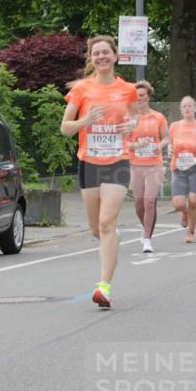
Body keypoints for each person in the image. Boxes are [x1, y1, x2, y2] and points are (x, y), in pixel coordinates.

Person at [61, 35, 138, 308]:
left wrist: (132, 126)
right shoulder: (82, 89)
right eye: (96, 53)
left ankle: (104, 287)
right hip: (89, 163)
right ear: (91, 59)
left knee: (106, 223)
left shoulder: (128, 90)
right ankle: (111, 239)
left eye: (106, 52)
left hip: (118, 162)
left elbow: (135, 117)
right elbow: (65, 128)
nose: (101, 56)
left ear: (115, 56)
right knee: (97, 228)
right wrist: (85, 120)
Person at [127, 80, 168, 253]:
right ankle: (146, 228)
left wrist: (158, 146)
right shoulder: (130, 118)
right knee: (139, 205)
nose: (139, 99)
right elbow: (124, 142)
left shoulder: (158, 117)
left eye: (142, 95)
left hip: (154, 165)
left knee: (149, 202)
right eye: (136, 96)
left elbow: (166, 138)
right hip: (135, 164)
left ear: (148, 97)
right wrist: (137, 145)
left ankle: (147, 240)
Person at [168, 97, 196, 242]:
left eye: (189, 106)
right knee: (178, 204)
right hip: (178, 168)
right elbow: (170, 144)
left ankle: (191, 233)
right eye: (184, 106)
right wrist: (169, 149)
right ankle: (184, 212)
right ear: (181, 110)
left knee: (193, 201)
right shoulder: (174, 126)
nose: (187, 109)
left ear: (195, 108)